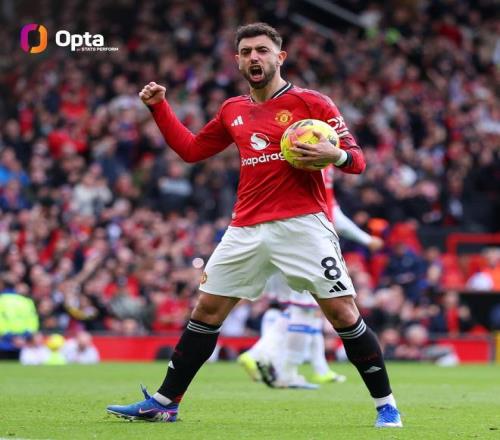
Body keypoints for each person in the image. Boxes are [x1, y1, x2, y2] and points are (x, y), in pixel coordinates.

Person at [107, 22, 401, 428]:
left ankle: (386, 405)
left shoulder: (312, 103)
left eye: (262, 50)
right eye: (246, 52)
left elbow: (358, 160)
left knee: (342, 313)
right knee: (207, 309)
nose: (254, 58)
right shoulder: (233, 109)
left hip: (303, 224)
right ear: (238, 61)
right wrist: (160, 108)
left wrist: (334, 155)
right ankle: (165, 402)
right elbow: (191, 150)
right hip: (245, 227)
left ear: (280, 57)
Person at [238, 184, 383, 389]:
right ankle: (268, 359)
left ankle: (316, 368)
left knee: (300, 310)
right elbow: (334, 214)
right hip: (302, 246)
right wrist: (367, 239)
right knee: (304, 310)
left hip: (271, 240)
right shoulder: (317, 175)